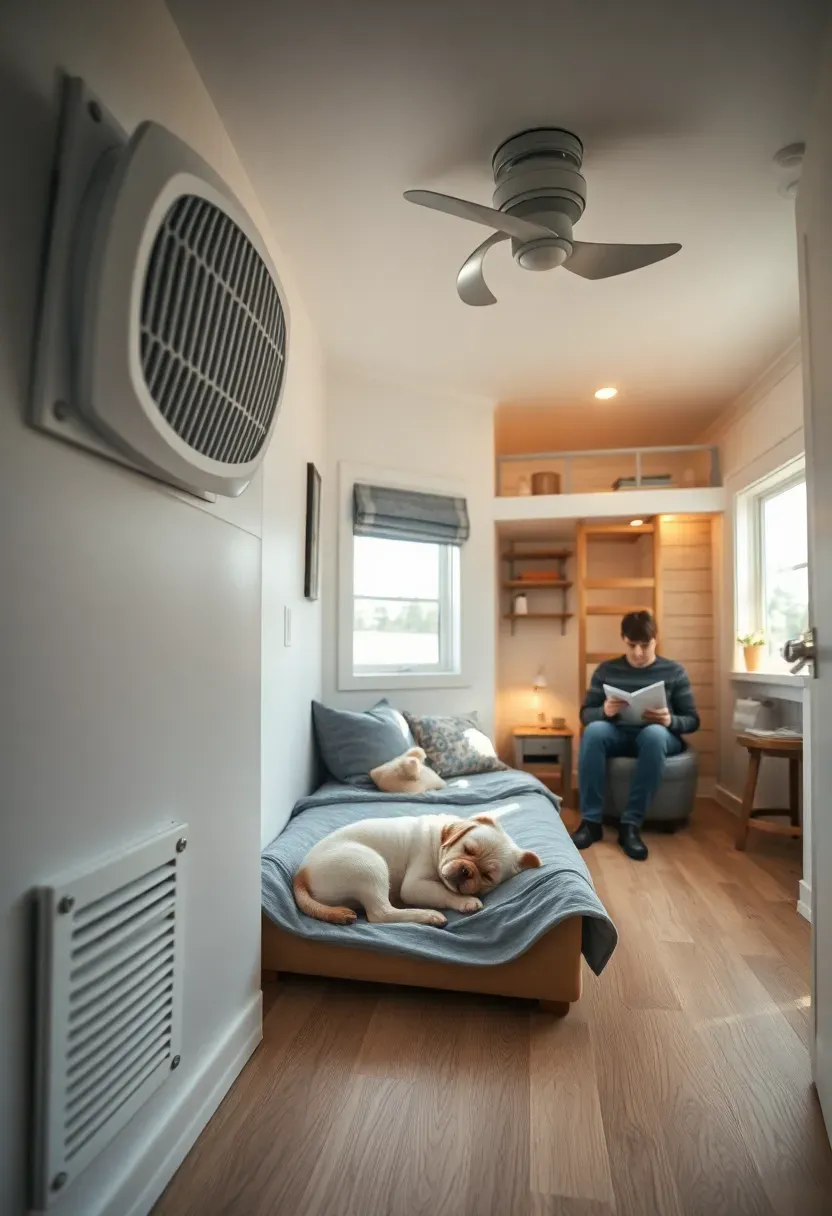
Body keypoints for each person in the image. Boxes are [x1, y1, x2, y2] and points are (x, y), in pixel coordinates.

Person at [571, 610, 699, 861]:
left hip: (657, 736)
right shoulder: (607, 670)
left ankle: (630, 825)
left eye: (645, 645)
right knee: (595, 730)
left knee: (654, 734)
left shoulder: (674, 671)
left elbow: (692, 720)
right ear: (623, 640)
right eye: (632, 645)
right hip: (617, 733)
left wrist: (669, 719)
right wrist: (604, 711)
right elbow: (586, 715)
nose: (638, 653)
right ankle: (591, 822)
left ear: (656, 639)